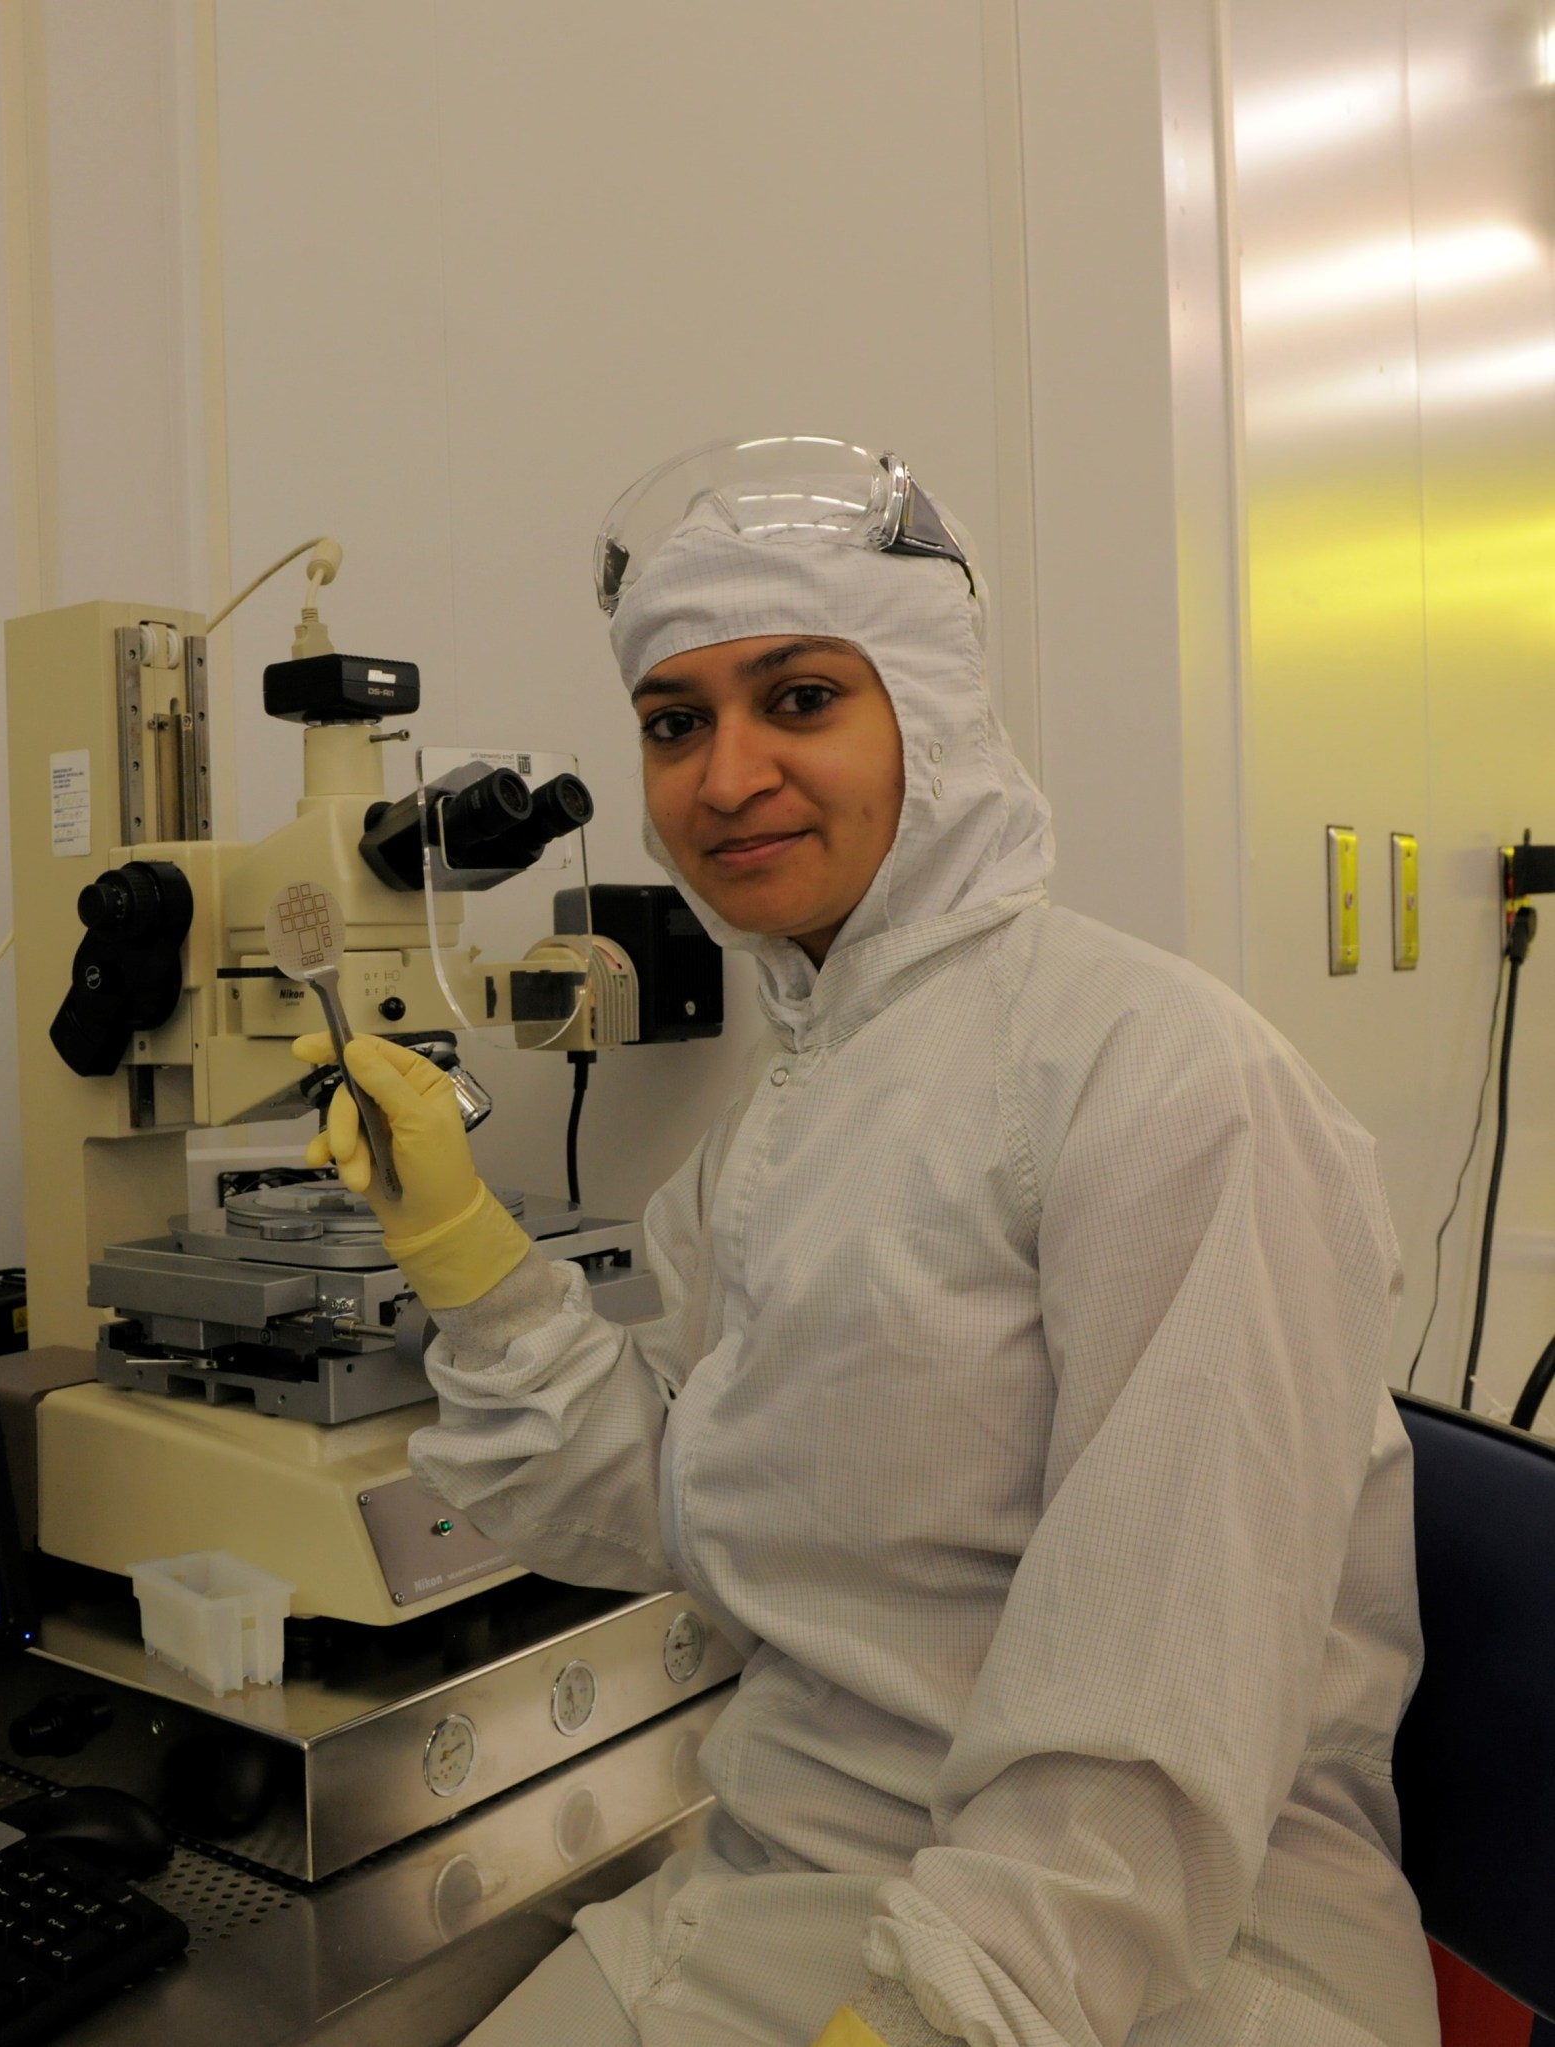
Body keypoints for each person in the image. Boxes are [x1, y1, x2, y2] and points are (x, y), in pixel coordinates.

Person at [295, 439, 1440, 2047]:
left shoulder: (1160, 1079)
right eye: (674, 722)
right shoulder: (789, 1112)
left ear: (936, 717)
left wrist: (934, 2013)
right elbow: (682, 1513)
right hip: (795, 1882)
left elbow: (1157, 1689)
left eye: (801, 698)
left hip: (1152, 1945)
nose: (726, 774)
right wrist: (467, 1250)